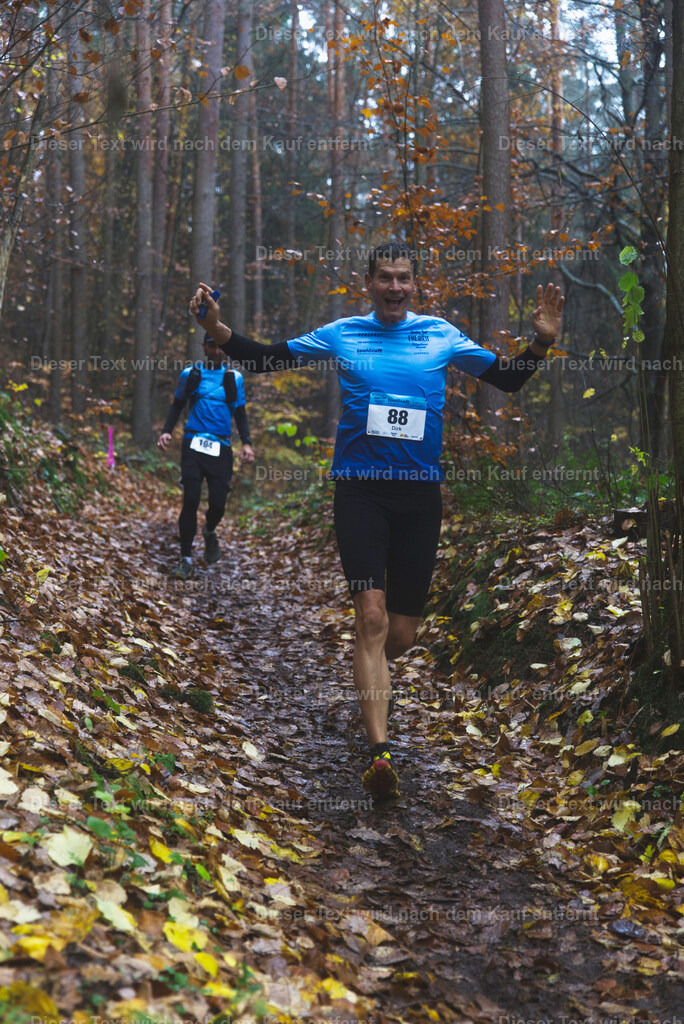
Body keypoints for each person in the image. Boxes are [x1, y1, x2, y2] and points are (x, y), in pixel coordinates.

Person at [189, 242, 563, 799]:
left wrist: (540, 343)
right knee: (371, 617)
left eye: (404, 279)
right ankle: (379, 755)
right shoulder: (344, 333)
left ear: (415, 285)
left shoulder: (439, 334)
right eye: (385, 277)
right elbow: (266, 359)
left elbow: (507, 380)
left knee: (400, 635)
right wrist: (218, 328)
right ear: (368, 282)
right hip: (360, 494)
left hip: (419, 499)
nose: (394, 287)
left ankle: (369, 669)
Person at [157, 332, 255, 580]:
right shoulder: (191, 375)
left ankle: (210, 530)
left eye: (221, 346)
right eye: (212, 346)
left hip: (221, 448)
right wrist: (167, 432)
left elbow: (240, 413)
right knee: (190, 499)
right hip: (193, 443)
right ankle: (185, 559)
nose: (217, 351)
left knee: (218, 504)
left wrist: (247, 444)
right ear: (204, 347)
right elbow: (177, 405)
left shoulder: (234, 378)